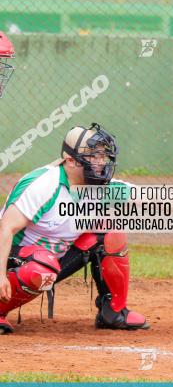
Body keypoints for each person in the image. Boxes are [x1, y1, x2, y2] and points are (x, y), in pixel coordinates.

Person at [0, 123, 150, 333]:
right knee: (41, 265)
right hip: (12, 261)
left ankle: (113, 311)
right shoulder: (44, 184)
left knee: (108, 231)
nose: (101, 162)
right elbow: (5, 228)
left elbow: (150, 198)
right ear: (70, 160)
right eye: (93, 156)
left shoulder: (97, 188)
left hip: (52, 263)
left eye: (103, 156)